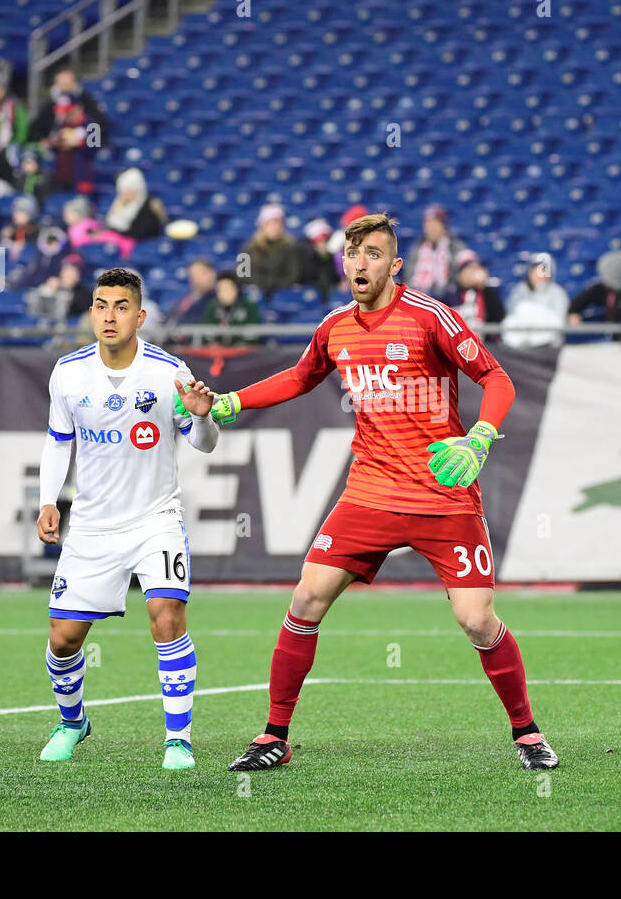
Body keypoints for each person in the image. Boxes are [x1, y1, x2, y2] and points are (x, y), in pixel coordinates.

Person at [197, 213, 558, 773]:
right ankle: (273, 736)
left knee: (477, 621)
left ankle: (527, 733)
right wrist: (229, 402)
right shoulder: (335, 326)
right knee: (306, 599)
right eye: (352, 253)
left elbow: (497, 378)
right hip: (370, 491)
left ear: (394, 265)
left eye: (372, 254)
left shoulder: (430, 317)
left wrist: (480, 436)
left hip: (443, 493)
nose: (359, 264)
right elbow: (298, 376)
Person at [36, 267, 219, 771]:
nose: (109, 315)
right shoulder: (68, 373)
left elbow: (202, 444)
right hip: (92, 526)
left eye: (121, 307)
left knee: (166, 616)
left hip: (155, 519)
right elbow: (58, 441)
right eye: (101, 305)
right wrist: (49, 499)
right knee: (63, 638)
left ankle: (178, 740)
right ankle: (73, 723)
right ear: (91, 311)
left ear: (140, 316)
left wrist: (202, 416)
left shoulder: (169, 372)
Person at [28, 68, 110, 195]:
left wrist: (80, 142)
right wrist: (55, 142)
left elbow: (95, 148)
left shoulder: (92, 125)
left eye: (69, 110)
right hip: (61, 174)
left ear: (78, 108)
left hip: (83, 176)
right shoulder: (62, 125)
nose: (66, 114)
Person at [503, 251, 569, 349]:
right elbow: (511, 317)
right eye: (534, 270)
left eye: (542, 270)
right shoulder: (519, 291)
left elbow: (558, 321)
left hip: (547, 345)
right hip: (520, 345)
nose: (537, 274)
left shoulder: (557, 293)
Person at [402, 204, 467, 296]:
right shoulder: (418, 246)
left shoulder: (454, 246)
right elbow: (409, 274)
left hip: (445, 297)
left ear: (443, 225)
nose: (430, 228)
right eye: (427, 224)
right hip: (417, 294)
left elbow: (460, 273)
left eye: (434, 224)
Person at [241, 202, 302, 296]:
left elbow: (294, 275)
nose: (274, 227)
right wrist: (262, 283)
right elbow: (242, 274)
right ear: (262, 226)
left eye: (277, 223)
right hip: (256, 294)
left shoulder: (292, 247)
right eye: (269, 223)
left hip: (283, 294)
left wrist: (274, 284)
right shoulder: (248, 247)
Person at [448, 249, 505, 332]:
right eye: (469, 270)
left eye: (476, 270)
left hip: (484, 341)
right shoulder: (451, 295)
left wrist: (484, 287)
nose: (474, 274)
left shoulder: (486, 293)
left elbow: (499, 315)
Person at [104, 168, 167, 242]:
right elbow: (110, 223)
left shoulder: (150, 205)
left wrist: (117, 233)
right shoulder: (121, 202)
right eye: (123, 191)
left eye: (129, 190)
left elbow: (144, 232)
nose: (125, 194)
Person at [203, 271, 261, 345]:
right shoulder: (213, 306)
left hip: (244, 353)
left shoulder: (249, 306)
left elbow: (252, 336)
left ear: (236, 289)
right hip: (217, 353)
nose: (224, 293)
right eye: (220, 289)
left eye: (227, 289)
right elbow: (208, 334)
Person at [169, 257, 219, 324]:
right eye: (192, 275)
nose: (194, 279)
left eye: (199, 274)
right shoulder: (188, 297)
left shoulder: (216, 298)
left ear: (211, 274)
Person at [301, 217, 340, 295]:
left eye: (324, 241)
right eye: (319, 242)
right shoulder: (308, 259)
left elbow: (336, 278)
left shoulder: (333, 258)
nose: (322, 245)